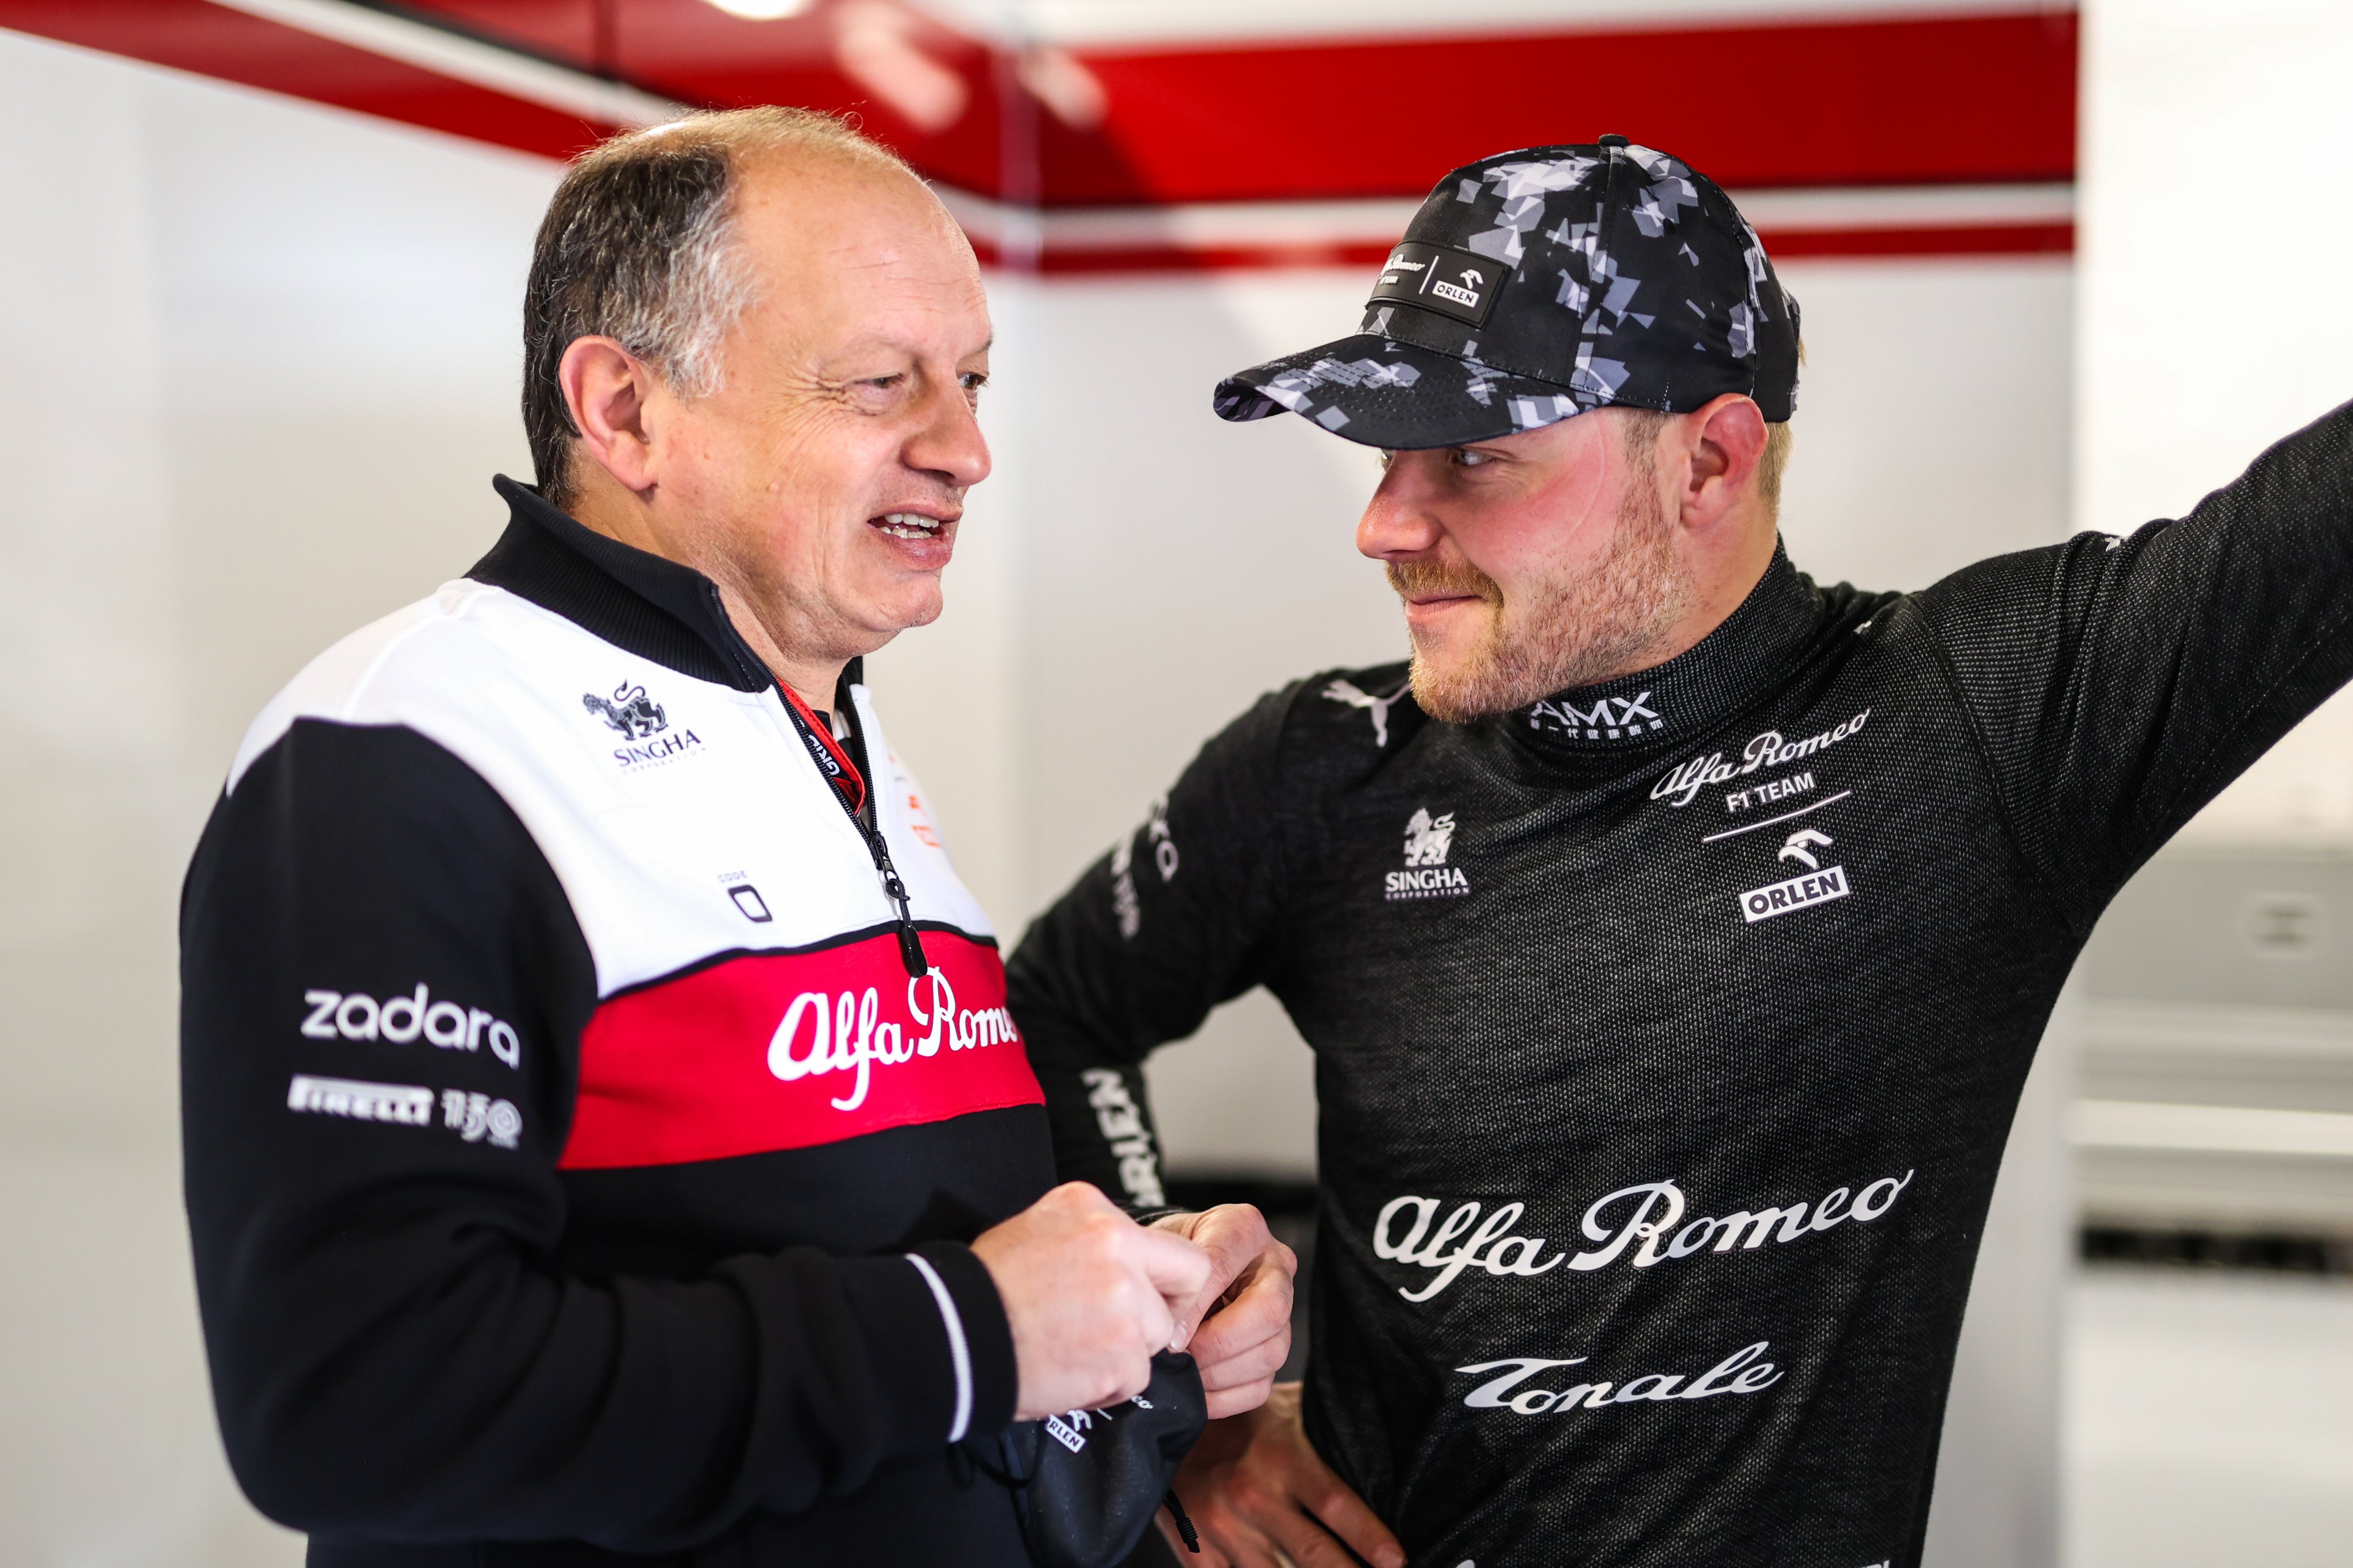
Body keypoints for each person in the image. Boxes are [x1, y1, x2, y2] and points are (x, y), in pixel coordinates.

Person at [1008, 136, 2353, 1568]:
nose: (1382, 523)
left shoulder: (1980, 717)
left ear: (1707, 459)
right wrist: (1179, 1385)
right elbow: (1052, 1008)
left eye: (1471, 452)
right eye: (1386, 452)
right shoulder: (1321, 763)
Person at [179, 107, 1294, 1567]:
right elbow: (358, 1404)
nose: (964, 449)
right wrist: (973, 1331)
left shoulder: (817, 710)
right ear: (625, 412)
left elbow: (893, 1237)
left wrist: (1143, 1305)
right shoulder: (400, 754)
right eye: (879, 382)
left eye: (968, 380)